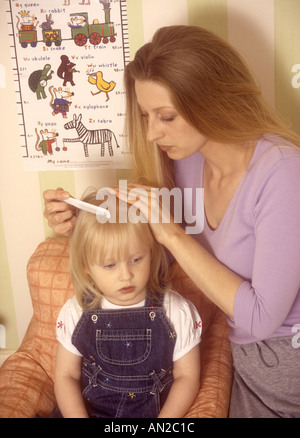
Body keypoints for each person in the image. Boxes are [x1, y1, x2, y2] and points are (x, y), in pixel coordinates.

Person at [44, 25, 300, 417]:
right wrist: (83, 214)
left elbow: (263, 319)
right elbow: (136, 219)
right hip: (243, 360)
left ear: (211, 101)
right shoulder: (189, 161)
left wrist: (173, 235)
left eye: (166, 116)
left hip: (286, 366)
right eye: (147, 116)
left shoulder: (282, 173)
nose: (150, 133)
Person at [52, 191, 201, 418]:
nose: (126, 275)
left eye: (135, 259)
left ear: (151, 253)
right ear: (85, 266)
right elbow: (66, 376)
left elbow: (187, 377)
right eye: (110, 265)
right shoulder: (76, 311)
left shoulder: (175, 311)